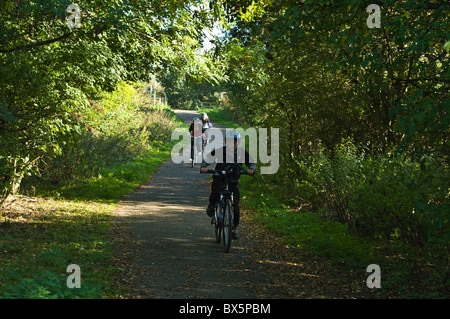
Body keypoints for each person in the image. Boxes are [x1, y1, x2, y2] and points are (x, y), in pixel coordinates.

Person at [200, 130, 256, 240]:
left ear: (238, 142)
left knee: (235, 204)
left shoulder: (242, 153)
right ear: (226, 141)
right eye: (230, 141)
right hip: (220, 177)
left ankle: (234, 228)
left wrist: (251, 169)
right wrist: (203, 166)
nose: (232, 143)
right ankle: (212, 204)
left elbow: (251, 162)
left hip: (233, 180)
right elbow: (207, 159)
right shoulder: (220, 151)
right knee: (216, 192)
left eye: (235, 141)